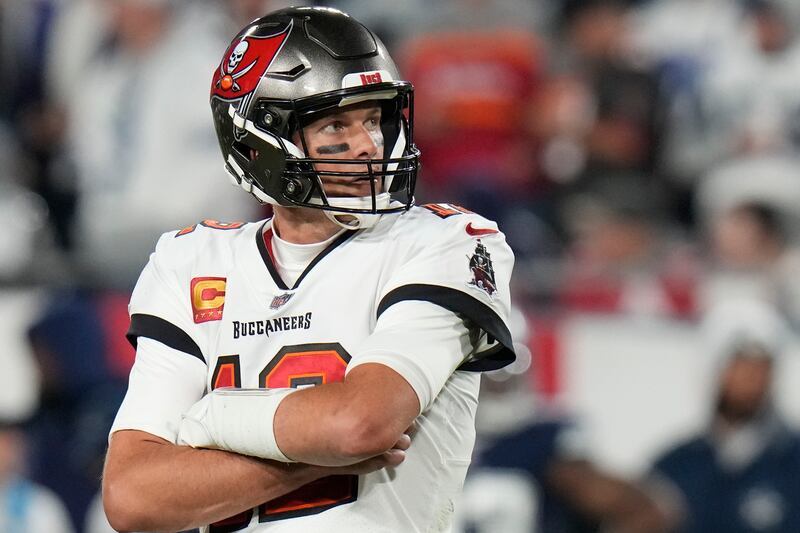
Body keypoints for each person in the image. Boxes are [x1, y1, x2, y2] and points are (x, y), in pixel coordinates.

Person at [102, 6, 515, 533]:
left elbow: (359, 424)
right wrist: (316, 459)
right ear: (257, 141)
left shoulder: (445, 241)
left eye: (374, 119)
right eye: (336, 124)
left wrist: (210, 418)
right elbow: (132, 498)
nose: (368, 144)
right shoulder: (190, 262)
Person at [648, 300, 800, 532]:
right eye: (739, 365)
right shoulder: (675, 468)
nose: (751, 378)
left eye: (762, 367)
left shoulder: (792, 462)